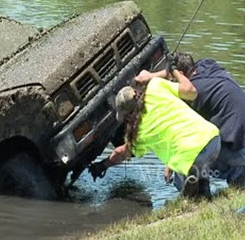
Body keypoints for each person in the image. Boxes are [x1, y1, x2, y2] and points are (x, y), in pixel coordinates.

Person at [89, 59, 221, 199]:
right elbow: (191, 92)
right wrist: (173, 69)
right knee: (196, 167)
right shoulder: (156, 86)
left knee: (180, 179)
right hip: (213, 139)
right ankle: (204, 191)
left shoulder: (139, 134)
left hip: (193, 155)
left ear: (128, 116)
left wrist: (103, 165)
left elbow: (122, 152)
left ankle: (192, 194)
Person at [175, 52, 245, 187]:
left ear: (180, 74)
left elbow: (186, 138)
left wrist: (171, 164)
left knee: (189, 155)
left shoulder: (192, 93)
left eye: (173, 78)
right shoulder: (208, 66)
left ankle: (238, 173)